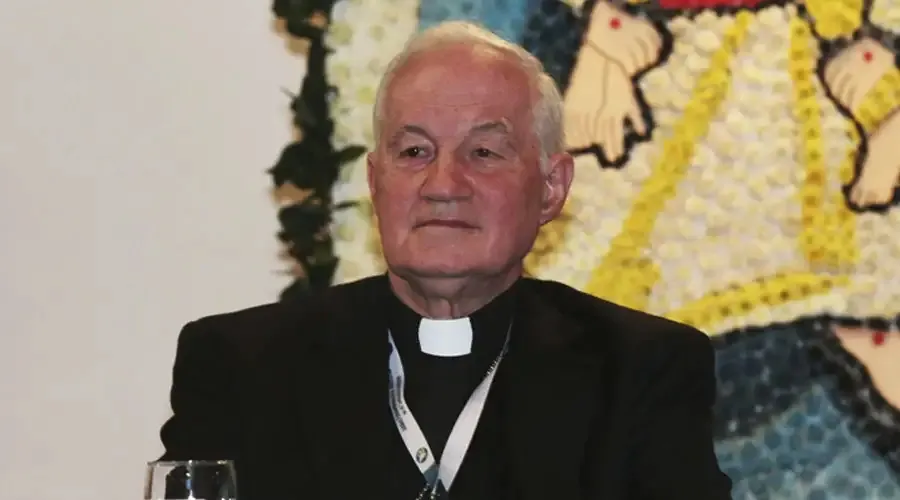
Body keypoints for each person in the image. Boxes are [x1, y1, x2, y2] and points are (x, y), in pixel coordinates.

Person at [157, 20, 732, 500]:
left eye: (483, 152)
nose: (443, 184)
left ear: (551, 188)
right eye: (414, 151)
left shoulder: (641, 370)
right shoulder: (240, 365)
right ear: (376, 183)